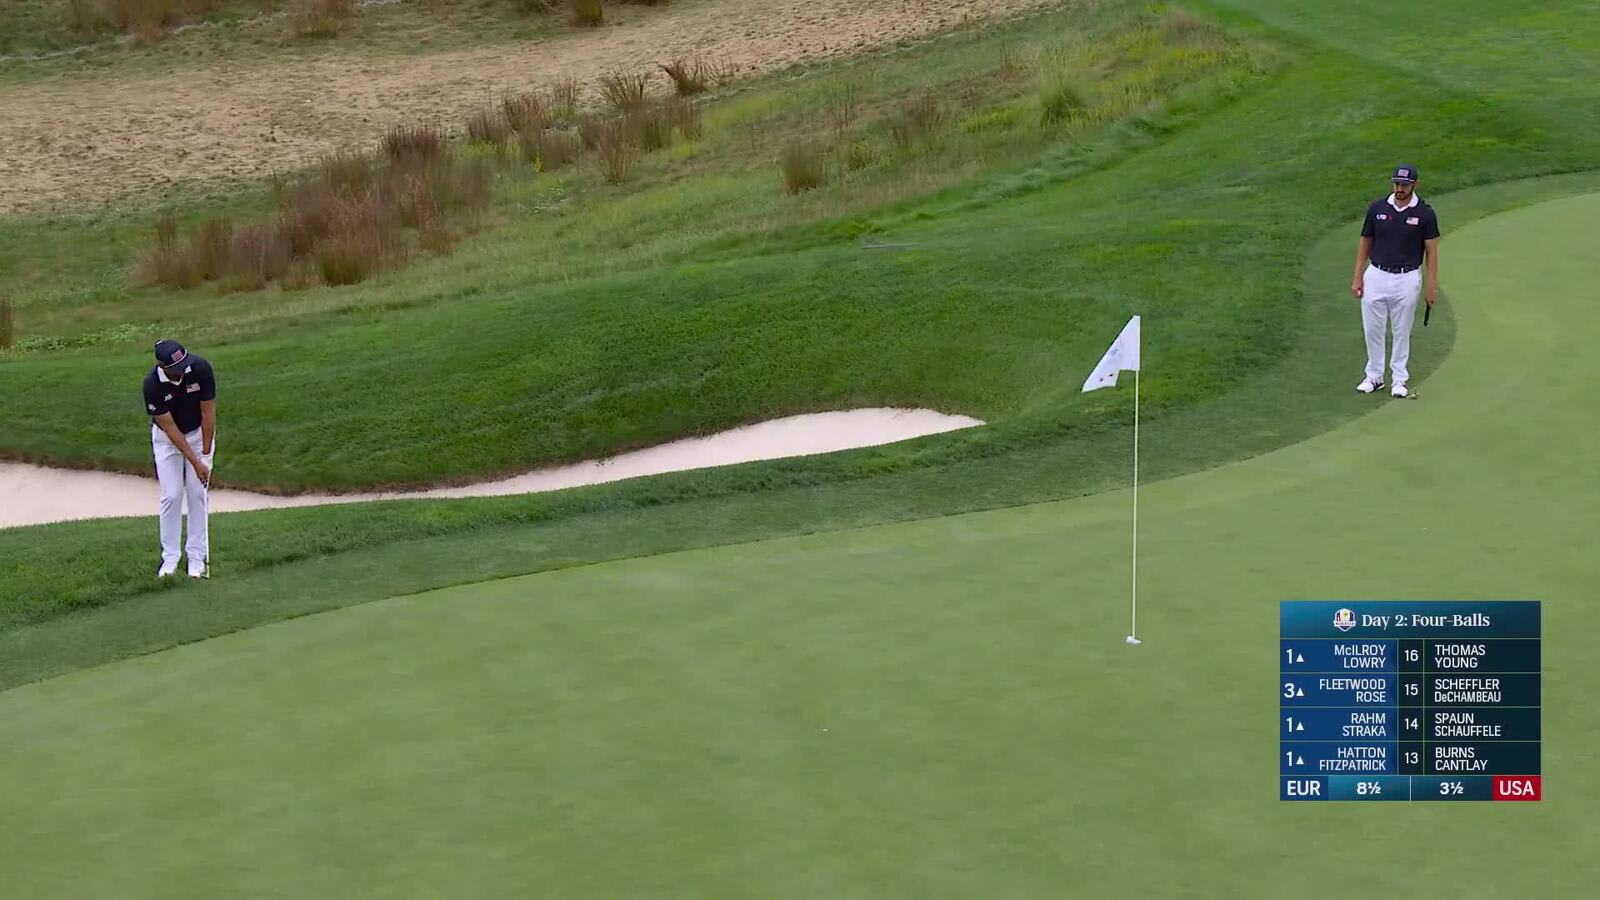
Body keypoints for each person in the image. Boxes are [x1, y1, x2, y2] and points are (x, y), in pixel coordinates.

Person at [1350, 164, 1441, 398]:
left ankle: (1399, 379)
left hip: (1407, 277)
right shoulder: (1377, 208)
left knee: (1401, 330)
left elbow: (1432, 251)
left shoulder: (1425, 214)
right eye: (1397, 184)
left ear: (1415, 185)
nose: (1400, 189)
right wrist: (1358, 275)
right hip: (1376, 274)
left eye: (1405, 185)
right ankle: (1374, 376)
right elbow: (1365, 241)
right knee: (1373, 329)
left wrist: (1431, 286)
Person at [143, 339, 216, 579]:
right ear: (163, 367)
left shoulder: (200, 368)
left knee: (197, 494)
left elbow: (208, 412)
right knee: (172, 495)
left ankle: (196, 557)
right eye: (177, 367)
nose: (183, 369)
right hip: (167, 441)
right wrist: (195, 462)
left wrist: (205, 456)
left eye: (185, 363)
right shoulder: (152, 385)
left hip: (198, 436)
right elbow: (170, 429)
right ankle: (170, 558)